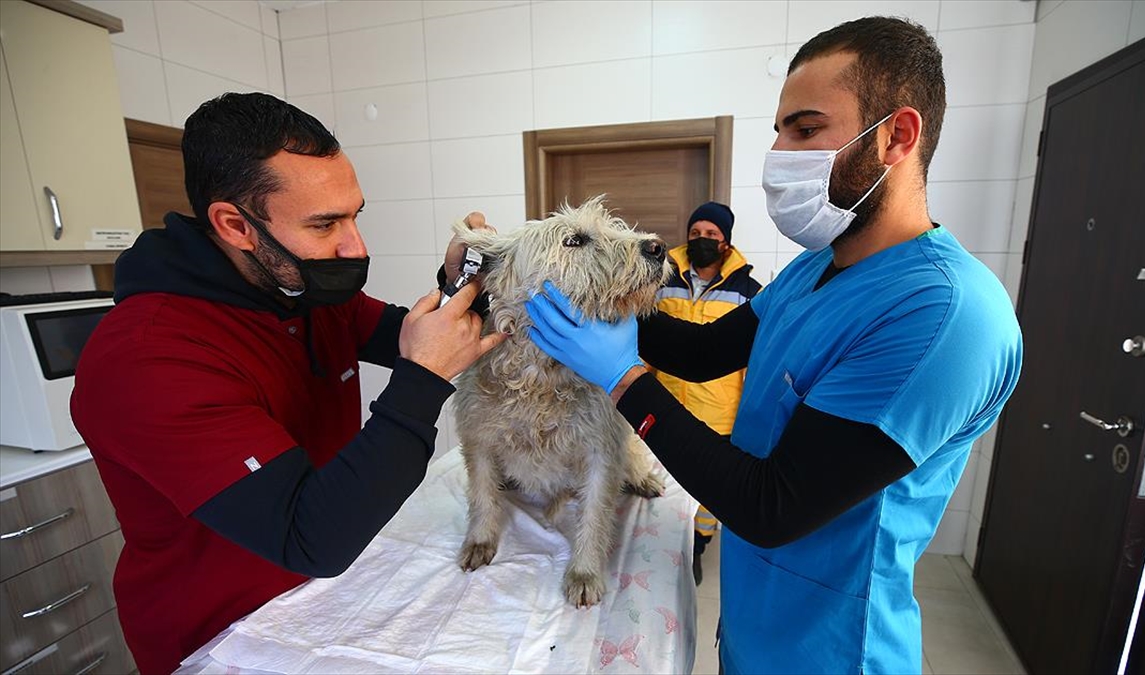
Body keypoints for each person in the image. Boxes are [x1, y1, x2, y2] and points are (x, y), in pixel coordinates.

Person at [524, 17, 1023, 675]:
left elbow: (772, 505)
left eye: (807, 130)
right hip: (754, 625)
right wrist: (596, 301)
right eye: (780, 130)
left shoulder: (945, 314)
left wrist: (622, 377)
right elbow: (705, 352)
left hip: (834, 648)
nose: (781, 153)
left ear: (897, 136)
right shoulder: (811, 270)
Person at [70, 93, 504, 674]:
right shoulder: (147, 357)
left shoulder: (304, 290)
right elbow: (311, 537)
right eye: (325, 224)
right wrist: (422, 382)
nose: (356, 247)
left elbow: (415, 336)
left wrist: (459, 283)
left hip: (323, 591)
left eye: (355, 215)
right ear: (234, 225)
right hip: (221, 634)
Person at [649, 201, 760, 585]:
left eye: (711, 235)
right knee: (657, 485)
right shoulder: (661, 281)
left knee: (707, 494)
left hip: (717, 413)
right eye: (695, 233)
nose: (701, 240)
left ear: (726, 243)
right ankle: (652, 546)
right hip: (661, 404)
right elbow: (645, 346)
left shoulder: (749, 292)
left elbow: (752, 366)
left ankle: (696, 548)